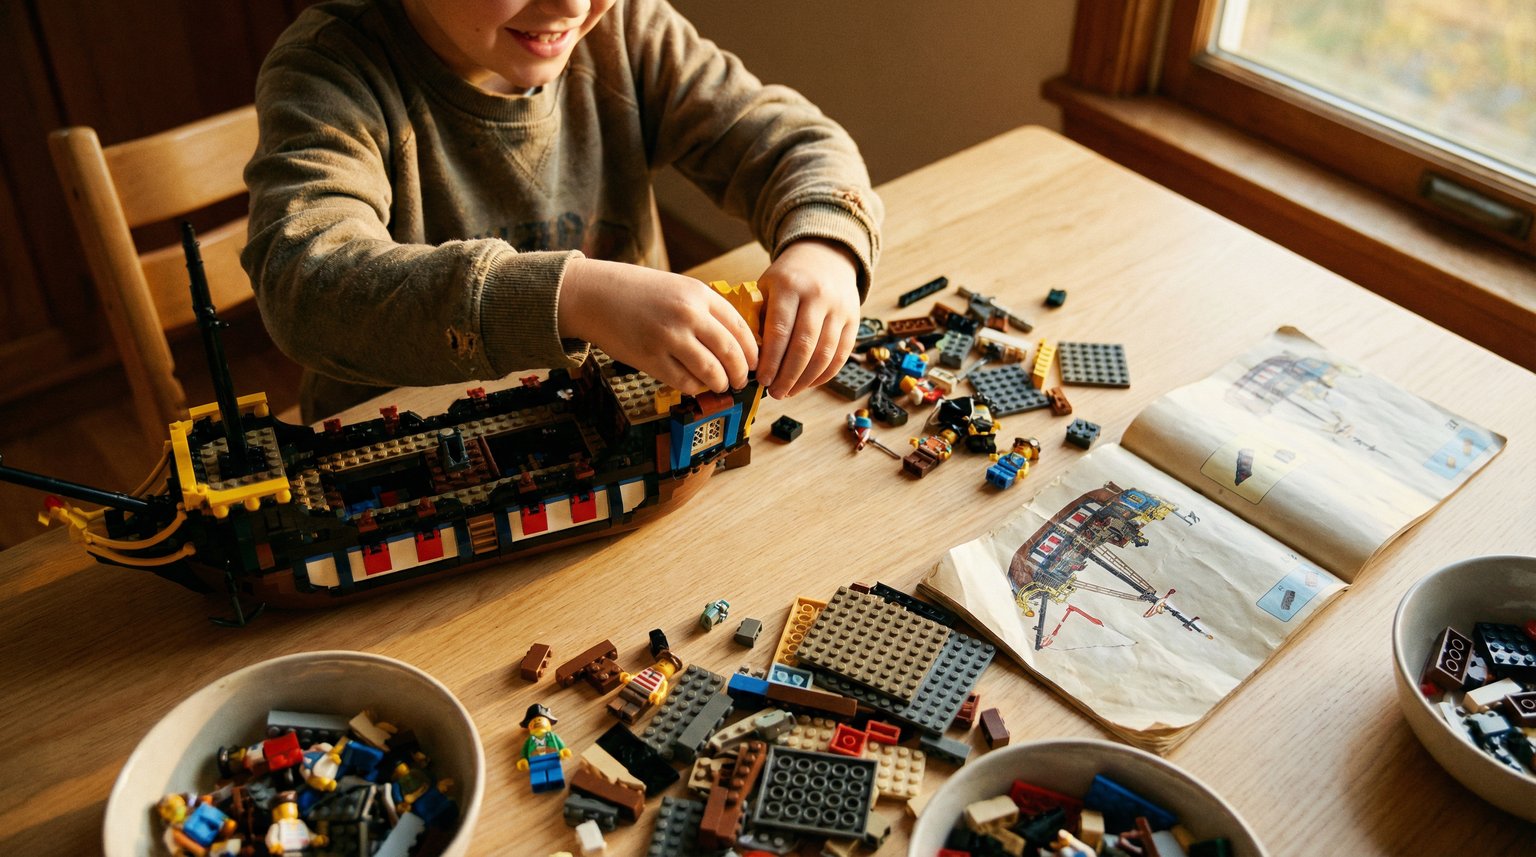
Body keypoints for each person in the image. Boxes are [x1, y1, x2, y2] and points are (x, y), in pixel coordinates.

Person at [244, 0, 883, 422]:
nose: (572, 6)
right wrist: (568, 297)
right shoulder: (327, 73)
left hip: (625, 424)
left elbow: (798, 144)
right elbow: (307, 283)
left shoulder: (625, 28)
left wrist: (824, 244)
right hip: (402, 440)